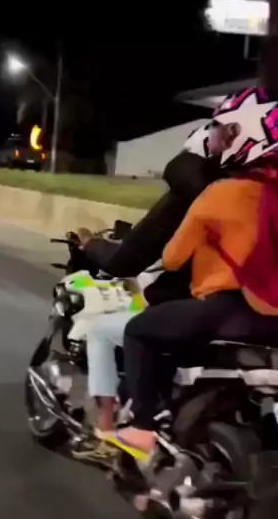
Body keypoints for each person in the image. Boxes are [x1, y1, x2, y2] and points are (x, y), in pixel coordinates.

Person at [107, 86, 278, 458]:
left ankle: (142, 426)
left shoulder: (221, 193)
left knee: (139, 331)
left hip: (225, 313)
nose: (217, 139)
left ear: (244, 135)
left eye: (223, 130)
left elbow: (173, 258)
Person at [72, 122, 239, 457]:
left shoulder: (199, 204)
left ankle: (111, 430)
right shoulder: (265, 201)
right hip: (261, 315)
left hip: (201, 307)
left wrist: (96, 248)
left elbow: (161, 253)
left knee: (106, 330)